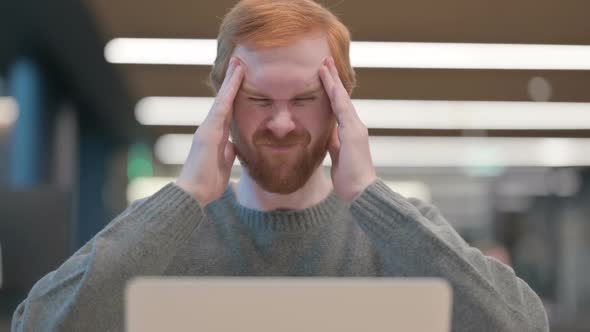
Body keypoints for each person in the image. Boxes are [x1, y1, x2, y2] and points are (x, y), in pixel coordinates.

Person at [12, 0, 549, 331]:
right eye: (260, 101)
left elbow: (524, 325)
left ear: (343, 102)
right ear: (221, 101)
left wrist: (369, 196)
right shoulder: (164, 234)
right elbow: (36, 325)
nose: (284, 124)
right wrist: (183, 199)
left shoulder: (399, 232)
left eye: (307, 99)